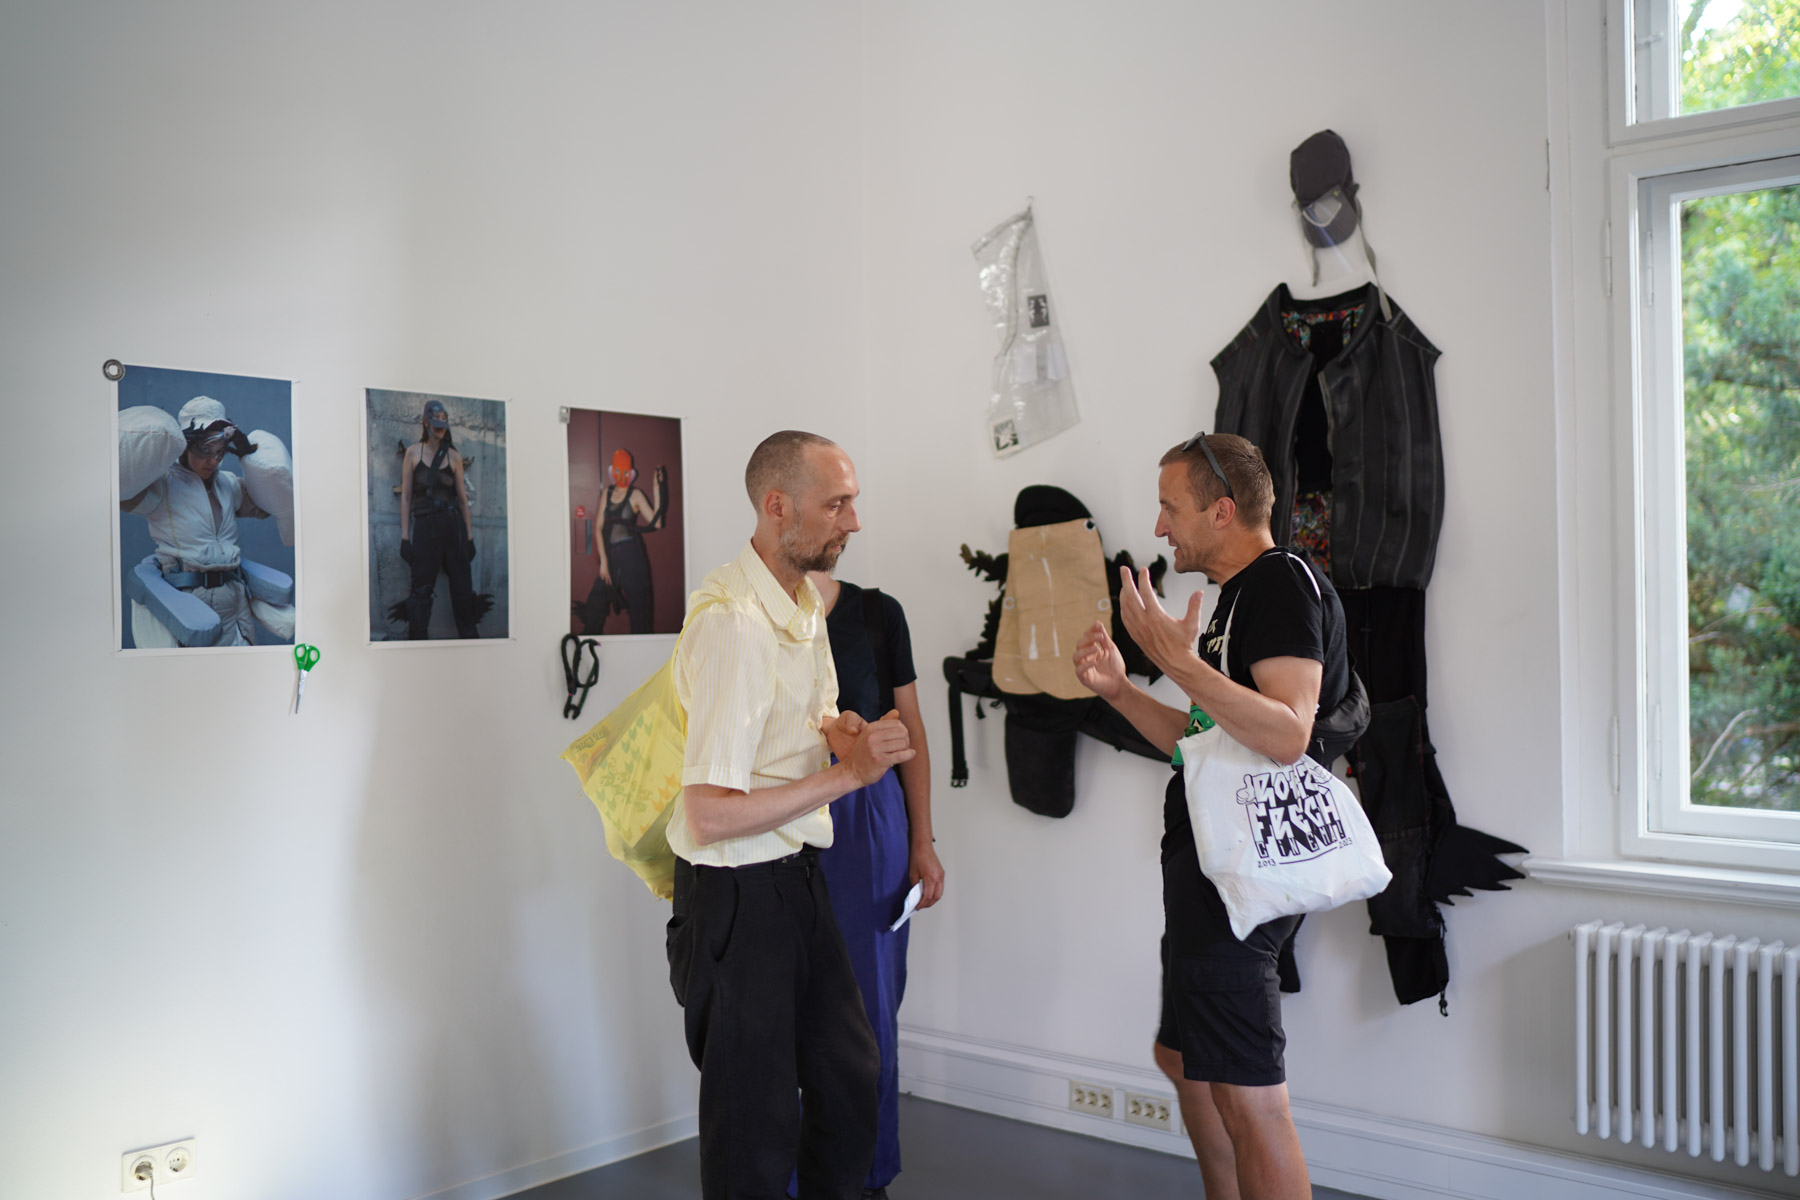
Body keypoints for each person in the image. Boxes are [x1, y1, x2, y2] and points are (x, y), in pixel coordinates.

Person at [1074, 432, 1349, 1200]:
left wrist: (1179, 661)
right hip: (1207, 875)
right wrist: (1122, 690)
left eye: (1171, 507)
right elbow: (1205, 744)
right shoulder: (1240, 598)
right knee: (1183, 1058)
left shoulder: (1280, 584)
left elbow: (1288, 735)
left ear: (1222, 511)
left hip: (1239, 886)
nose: (1159, 526)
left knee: (1251, 1100)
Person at [664, 429, 914, 1200]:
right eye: (836, 505)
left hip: (796, 877)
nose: (854, 522)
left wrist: (842, 734)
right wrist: (849, 775)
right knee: (755, 1132)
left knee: (849, 1078)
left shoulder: (801, 605)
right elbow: (708, 815)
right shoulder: (734, 625)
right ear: (778, 507)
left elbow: (798, 726)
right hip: (736, 894)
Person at [799, 569, 945, 1200]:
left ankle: (863, 1174)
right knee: (782, 1002)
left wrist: (922, 840)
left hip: (866, 820)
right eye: (838, 514)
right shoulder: (744, 613)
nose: (850, 523)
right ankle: (790, 1173)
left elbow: (910, 733)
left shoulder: (878, 615)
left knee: (868, 1007)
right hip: (774, 814)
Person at [120, 395, 287, 647]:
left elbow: (267, 506)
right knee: (197, 670)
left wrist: (254, 460)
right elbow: (122, 492)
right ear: (186, 445)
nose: (213, 461)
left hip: (235, 599)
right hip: (190, 602)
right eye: (205, 451)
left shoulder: (228, 483)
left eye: (220, 452)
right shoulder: (163, 485)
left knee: (243, 664)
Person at [399, 399, 480, 639]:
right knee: (421, 593)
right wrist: (405, 538)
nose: (440, 429)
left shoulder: (453, 456)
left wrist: (469, 536)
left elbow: (462, 500)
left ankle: (470, 641)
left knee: (463, 590)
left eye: (444, 423)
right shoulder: (413, 453)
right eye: (436, 424)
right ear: (426, 423)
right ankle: (417, 643)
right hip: (426, 528)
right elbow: (406, 497)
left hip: (453, 528)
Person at [590, 448, 667, 634]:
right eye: (617, 471)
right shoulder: (607, 492)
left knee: (639, 607)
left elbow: (657, 523)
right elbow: (598, 527)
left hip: (631, 556)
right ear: (612, 470)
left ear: (631, 472)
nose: (621, 475)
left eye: (625, 472)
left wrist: (656, 488)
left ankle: (641, 645)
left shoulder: (636, 494)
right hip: (610, 556)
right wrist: (603, 562)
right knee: (595, 606)